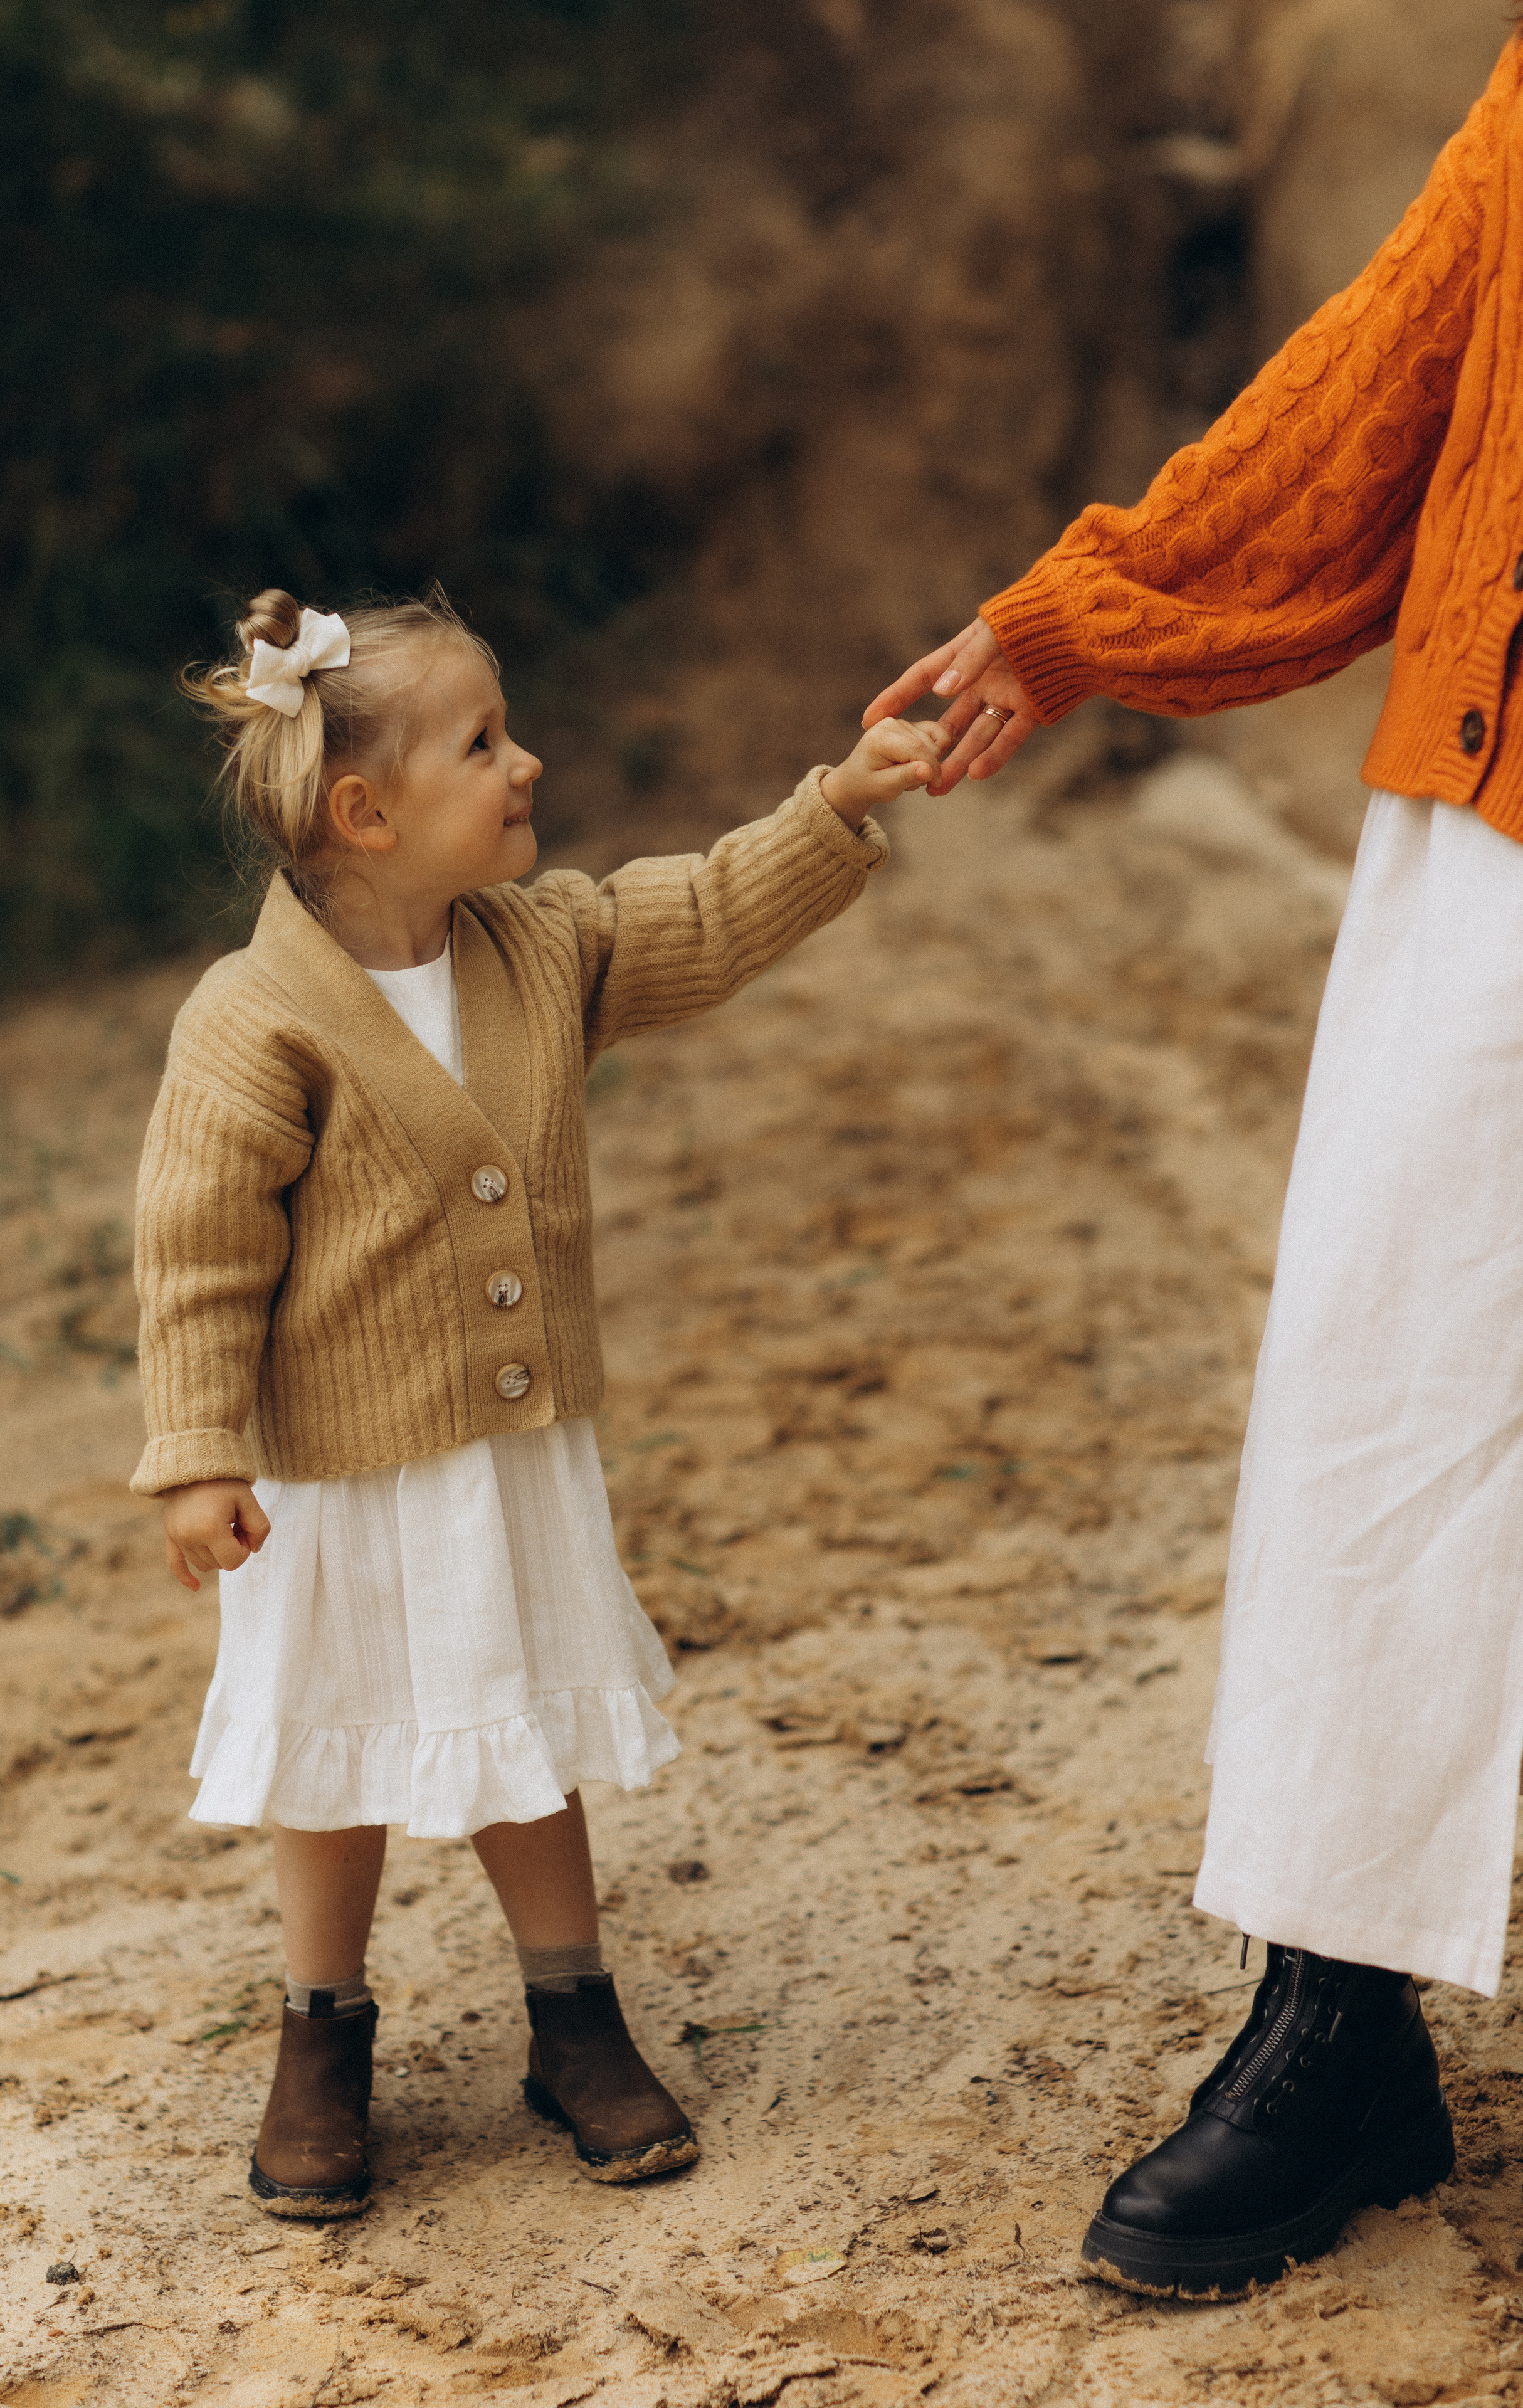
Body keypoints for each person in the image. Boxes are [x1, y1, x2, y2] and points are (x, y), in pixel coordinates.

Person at [868, 4, 1523, 2301]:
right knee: (1387, 1377)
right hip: (1510, 823)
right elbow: (1366, 393)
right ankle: (1334, 2025)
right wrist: (1074, 618)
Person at [135, 584, 942, 2219]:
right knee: (327, 1749)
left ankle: (572, 2012)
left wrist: (834, 807)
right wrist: (196, 1454)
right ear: (365, 814)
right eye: (485, 744)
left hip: (505, 1455)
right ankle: (320, 2029)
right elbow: (199, 1250)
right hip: (338, 1477)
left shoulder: (540, 945)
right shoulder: (257, 1017)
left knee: (527, 1733)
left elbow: (703, 912)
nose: (530, 762)